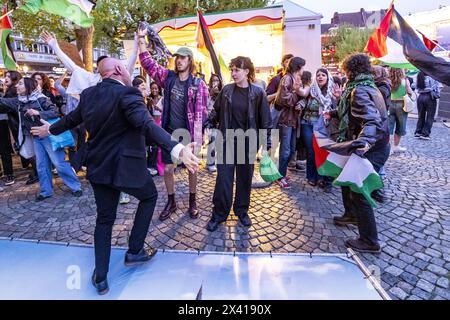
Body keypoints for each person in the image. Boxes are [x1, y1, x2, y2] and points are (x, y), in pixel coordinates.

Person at [31, 58, 199, 295]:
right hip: (127, 167)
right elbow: (145, 124)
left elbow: (70, 119)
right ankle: (135, 251)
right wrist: (178, 148)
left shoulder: (89, 94)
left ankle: (101, 278)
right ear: (120, 70)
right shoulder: (128, 94)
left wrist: (50, 128)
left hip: (99, 167)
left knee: (104, 219)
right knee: (149, 197)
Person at [138, 26, 208, 221]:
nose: (179, 60)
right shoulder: (168, 78)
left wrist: (198, 138)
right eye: (177, 57)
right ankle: (171, 201)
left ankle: (192, 200)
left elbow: (202, 113)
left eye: (183, 57)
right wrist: (141, 39)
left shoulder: (198, 84)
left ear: (190, 61)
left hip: (188, 134)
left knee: (192, 168)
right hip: (169, 132)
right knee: (169, 169)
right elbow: (148, 64)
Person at [325, 53, 390, 253]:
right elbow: (353, 112)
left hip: (370, 147)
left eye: (345, 72)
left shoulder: (359, 90)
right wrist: (334, 112)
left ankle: (370, 241)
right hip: (372, 143)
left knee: (359, 191)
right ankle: (351, 215)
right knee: (348, 181)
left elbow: (371, 120)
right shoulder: (368, 86)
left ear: (351, 71)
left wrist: (365, 143)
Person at [204, 56, 272, 232]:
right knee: (223, 179)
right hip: (226, 141)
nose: (233, 73)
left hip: (248, 143)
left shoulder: (258, 93)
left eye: (237, 70)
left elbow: (265, 121)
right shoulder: (227, 90)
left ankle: (242, 211)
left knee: (244, 179)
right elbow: (216, 111)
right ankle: (219, 214)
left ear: (247, 72)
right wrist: (209, 123)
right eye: (232, 69)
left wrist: (266, 144)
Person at [0, 77, 82, 201]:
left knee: (59, 164)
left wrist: (38, 113)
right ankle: (46, 191)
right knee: (41, 165)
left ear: (29, 86)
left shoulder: (41, 99)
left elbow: (55, 112)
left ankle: (76, 187)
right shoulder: (19, 101)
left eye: (20, 84)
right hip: (36, 137)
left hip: (48, 135)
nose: (17, 86)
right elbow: (2, 102)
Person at [274, 57, 310, 189]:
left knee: (291, 149)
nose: (304, 69)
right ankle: (280, 176)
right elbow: (282, 99)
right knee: (285, 150)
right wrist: (295, 94)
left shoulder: (297, 79)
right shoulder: (287, 78)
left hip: (294, 119)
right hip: (286, 119)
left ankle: (281, 173)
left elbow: (302, 98)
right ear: (298, 67)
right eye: (303, 66)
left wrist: (300, 102)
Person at [300, 68, 336, 192]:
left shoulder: (332, 91)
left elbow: (337, 109)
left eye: (323, 75)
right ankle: (311, 176)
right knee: (311, 151)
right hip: (308, 123)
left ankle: (322, 177)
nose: (320, 77)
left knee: (322, 151)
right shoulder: (311, 90)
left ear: (327, 77)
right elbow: (303, 100)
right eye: (318, 75)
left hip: (324, 126)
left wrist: (338, 98)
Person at [3, 71, 39, 185]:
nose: (5, 78)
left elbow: (51, 111)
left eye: (9, 76)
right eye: (5, 76)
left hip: (24, 127)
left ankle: (38, 172)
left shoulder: (16, 92)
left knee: (31, 151)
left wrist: (37, 113)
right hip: (21, 127)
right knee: (29, 150)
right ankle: (38, 173)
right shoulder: (14, 93)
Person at [388, 68, 412, 153]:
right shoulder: (405, 80)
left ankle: (389, 149)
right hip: (402, 105)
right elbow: (410, 92)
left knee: (389, 127)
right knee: (400, 126)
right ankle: (395, 146)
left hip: (389, 104)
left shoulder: (388, 80)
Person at [415, 72, 442, 140]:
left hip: (420, 97)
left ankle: (418, 132)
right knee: (430, 116)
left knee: (421, 116)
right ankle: (425, 134)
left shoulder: (419, 75)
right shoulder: (433, 75)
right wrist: (437, 94)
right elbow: (438, 86)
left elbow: (414, 86)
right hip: (430, 97)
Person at [206, 73, 223, 173]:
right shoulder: (208, 92)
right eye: (213, 80)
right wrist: (211, 94)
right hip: (210, 119)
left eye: (217, 80)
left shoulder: (222, 91)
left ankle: (211, 161)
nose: (215, 82)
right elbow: (205, 105)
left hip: (219, 119)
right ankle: (211, 163)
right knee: (212, 140)